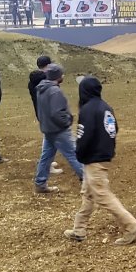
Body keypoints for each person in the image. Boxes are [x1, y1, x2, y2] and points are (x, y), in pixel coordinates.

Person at [63, 76, 136, 245]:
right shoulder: (106, 107)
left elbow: (84, 137)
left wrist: (80, 154)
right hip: (103, 156)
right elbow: (114, 129)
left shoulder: (87, 110)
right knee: (88, 194)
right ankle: (79, 230)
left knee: (102, 195)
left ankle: (132, 227)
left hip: (94, 159)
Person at [34, 64, 85, 194]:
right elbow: (57, 113)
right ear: (57, 76)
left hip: (48, 129)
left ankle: (40, 183)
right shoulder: (55, 91)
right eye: (61, 74)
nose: (63, 76)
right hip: (59, 130)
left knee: (46, 157)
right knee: (74, 154)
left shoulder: (41, 88)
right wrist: (67, 121)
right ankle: (89, 182)